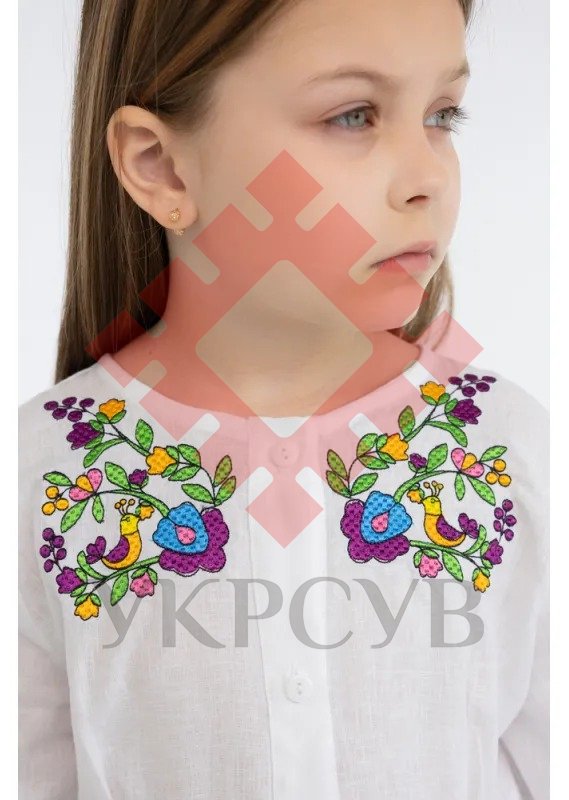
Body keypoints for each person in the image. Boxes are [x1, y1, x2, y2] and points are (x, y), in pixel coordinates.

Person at [19, 0, 549, 798]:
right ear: (161, 166)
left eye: (442, 114)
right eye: (352, 115)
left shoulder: (509, 450)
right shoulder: (39, 475)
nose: (428, 178)